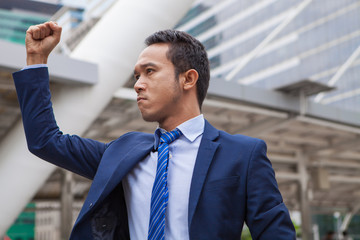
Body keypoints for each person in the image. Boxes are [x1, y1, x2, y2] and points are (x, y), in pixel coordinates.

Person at [13, 21, 296, 239]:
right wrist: (36, 61)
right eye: (136, 75)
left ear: (188, 79)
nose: (137, 84)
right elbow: (45, 141)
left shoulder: (243, 155)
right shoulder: (122, 154)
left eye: (149, 71)